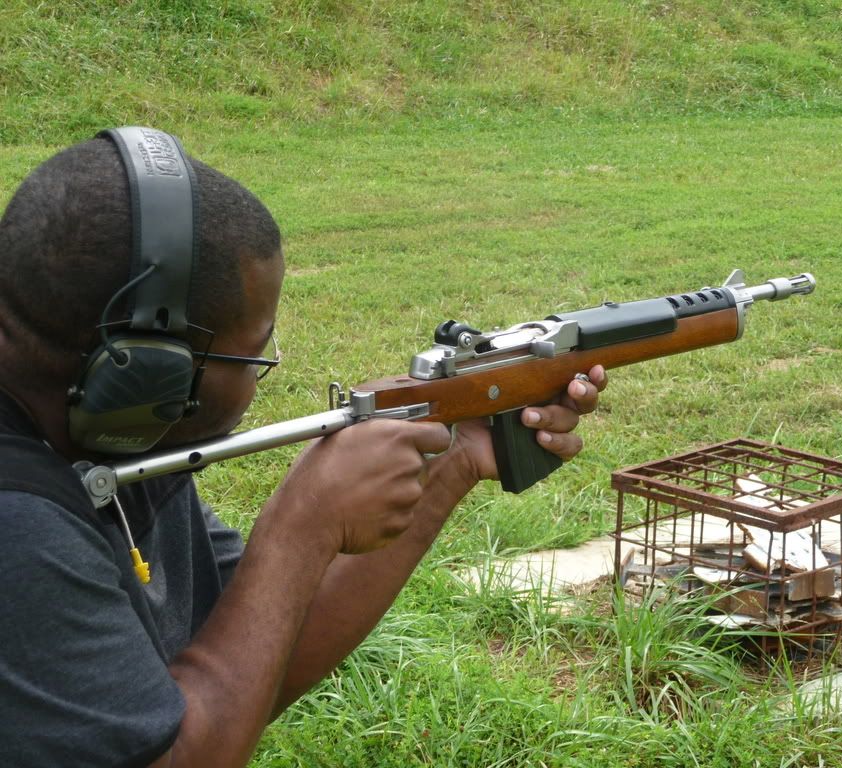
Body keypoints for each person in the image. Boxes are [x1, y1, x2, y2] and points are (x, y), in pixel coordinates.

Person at [0, 131, 606, 768]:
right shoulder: (19, 526)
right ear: (148, 371)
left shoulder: (103, 430)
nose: (268, 365)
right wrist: (300, 527)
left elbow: (255, 658)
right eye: (255, 350)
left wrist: (455, 456)